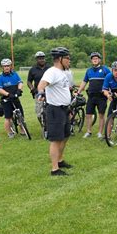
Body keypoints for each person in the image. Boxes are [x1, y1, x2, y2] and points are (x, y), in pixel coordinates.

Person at [37, 47, 74, 176]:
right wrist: (41, 92)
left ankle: (60, 160)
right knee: (56, 139)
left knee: (65, 135)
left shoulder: (63, 72)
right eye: (67, 58)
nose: (69, 61)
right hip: (55, 110)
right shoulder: (51, 72)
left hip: (64, 109)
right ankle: (54, 169)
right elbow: (41, 85)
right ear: (60, 59)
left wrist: (68, 108)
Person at [77, 52, 111, 139]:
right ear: (91, 60)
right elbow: (84, 82)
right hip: (91, 96)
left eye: (96, 58)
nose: (95, 60)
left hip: (101, 96)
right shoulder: (89, 71)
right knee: (88, 115)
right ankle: (88, 131)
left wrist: (110, 92)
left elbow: (110, 80)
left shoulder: (105, 69)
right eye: (93, 59)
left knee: (101, 115)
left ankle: (100, 132)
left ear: (99, 60)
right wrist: (78, 92)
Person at [0, 58, 25, 138]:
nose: (6, 67)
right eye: (5, 66)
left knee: (21, 115)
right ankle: (10, 132)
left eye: (8, 66)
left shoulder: (15, 74)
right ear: (2, 67)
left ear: (11, 66)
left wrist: (19, 90)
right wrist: (8, 94)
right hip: (6, 99)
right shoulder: (0, 77)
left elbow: (20, 82)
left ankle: (23, 130)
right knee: (8, 117)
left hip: (15, 97)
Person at [27, 51, 50, 123]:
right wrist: (32, 88)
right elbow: (29, 81)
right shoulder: (32, 69)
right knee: (39, 112)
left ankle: (49, 124)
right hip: (38, 93)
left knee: (50, 110)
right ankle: (43, 124)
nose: (41, 60)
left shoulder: (50, 68)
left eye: (43, 58)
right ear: (36, 59)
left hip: (50, 92)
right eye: (39, 58)